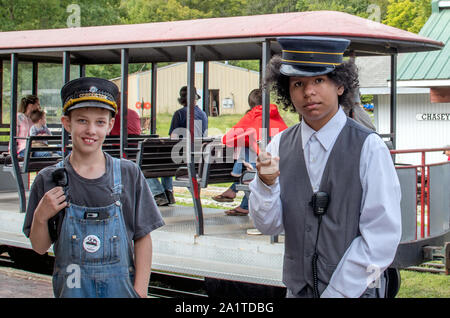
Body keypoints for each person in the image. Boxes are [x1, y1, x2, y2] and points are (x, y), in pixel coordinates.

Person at [249, 36, 401, 298]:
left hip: (356, 293)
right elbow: (268, 226)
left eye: (319, 80)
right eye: (298, 84)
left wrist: (338, 292)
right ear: (288, 92)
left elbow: (381, 237)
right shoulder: (279, 146)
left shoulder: (369, 147)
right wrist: (266, 184)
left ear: (340, 85)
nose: (309, 92)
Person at [23, 77, 165, 298]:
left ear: (110, 125)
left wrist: (141, 291)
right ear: (66, 123)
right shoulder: (48, 179)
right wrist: (41, 216)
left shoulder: (129, 174)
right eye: (82, 121)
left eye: (100, 122)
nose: (91, 130)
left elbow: (143, 237)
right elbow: (39, 247)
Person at [213, 88, 288, 216]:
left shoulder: (252, 115)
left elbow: (227, 139)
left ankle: (234, 187)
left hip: (264, 167)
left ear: (251, 103)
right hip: (282, 162)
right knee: (253, 154)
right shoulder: (276, 115)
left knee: (248, 155)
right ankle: (241, 201)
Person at [147, 85, 208, 206]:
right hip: (196, 155)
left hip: (181, 156)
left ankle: (159, 193)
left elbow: (173, 138)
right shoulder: (203, 114)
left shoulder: (179, 114)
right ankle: (168, 192)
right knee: (166, 163)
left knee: (150, 164)